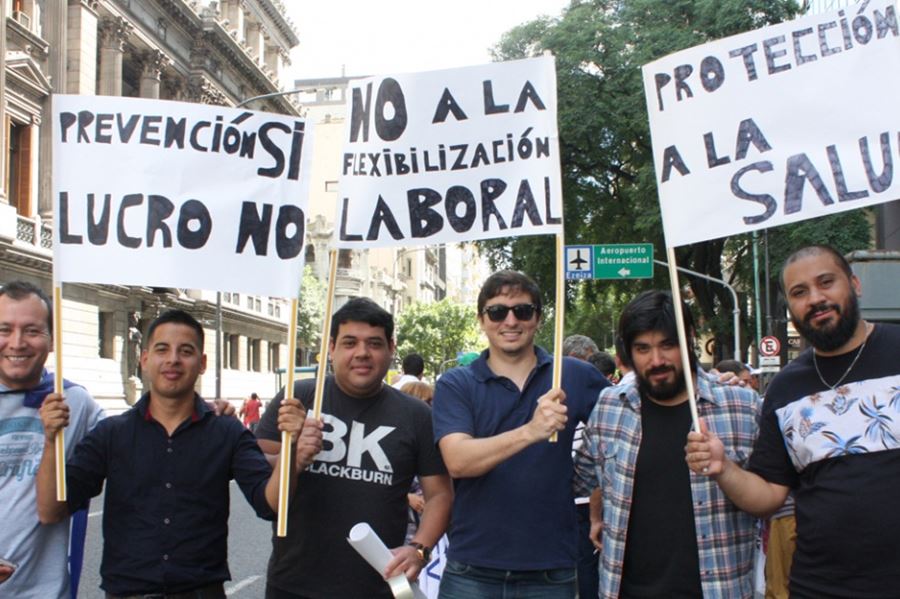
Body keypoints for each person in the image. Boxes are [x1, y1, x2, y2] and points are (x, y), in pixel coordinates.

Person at [35, 309, 311, 598]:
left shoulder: (226, 432)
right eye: (162, 349)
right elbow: (51, 509)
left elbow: (272, 506)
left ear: (202, 363)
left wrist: (290, 443)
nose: (173, 360)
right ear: (145, 359)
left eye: (186, 351)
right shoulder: (111, 434)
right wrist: (51, 440)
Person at [686, 244, 900, 598]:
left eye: (826, 282)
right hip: (821, 586)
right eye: (799, 292)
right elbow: (769, 494)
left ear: (855, 284)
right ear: (790, 307)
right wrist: (722, 466)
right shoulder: (785, 388)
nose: (815, 298)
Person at [256, 298, 452, 599]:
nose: (362, 353)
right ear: (331, 347)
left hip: (379, 585)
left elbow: (439, 494)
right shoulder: (299, 398)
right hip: (293, 585)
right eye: (350, 342)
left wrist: (419, 549)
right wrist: (293, 455)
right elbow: (263, 488)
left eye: (374, 343)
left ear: (391, 348)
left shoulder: (417, 415)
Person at [432, 270, 610, 598]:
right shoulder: (456, 384)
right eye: (498, 311)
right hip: (472, 567)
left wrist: (716, 384)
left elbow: (627, 422)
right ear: (482, 320)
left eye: (523, 311)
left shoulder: (572, 374)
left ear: (538, 319)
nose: (510, 321)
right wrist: (531, 431)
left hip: (551, 568)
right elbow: (458, 461)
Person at [574, 290, 761, 598]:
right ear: (629, 353)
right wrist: (596, 510)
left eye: (668, 345)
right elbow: (585, 478)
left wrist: (726, 468)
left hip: (719, 589)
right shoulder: (610, 407)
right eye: (643, 348)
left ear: (689, 338)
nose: (657, 360)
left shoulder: (741, 406)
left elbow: (773, 494)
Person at [0, 281, 104, 598]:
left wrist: (198, 410)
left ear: (52, 339)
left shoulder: (74, 401)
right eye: (5, 330)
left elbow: (136, 437)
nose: (17, 343)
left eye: (31, 330)